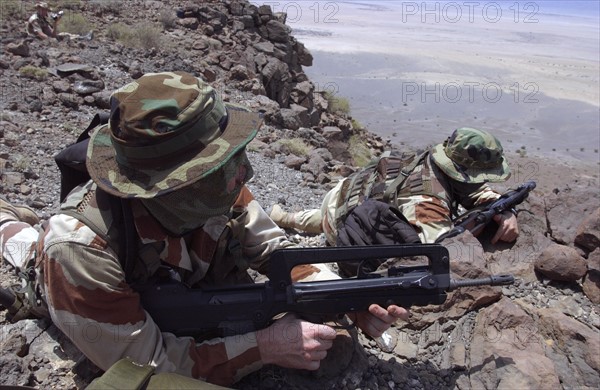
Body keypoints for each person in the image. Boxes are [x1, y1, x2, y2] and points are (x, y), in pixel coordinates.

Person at [0, 71, 408, 387]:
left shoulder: (219, 192)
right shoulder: (79, 251)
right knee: (21, 241)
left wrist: (340, 296)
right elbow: (146, 365)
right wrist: (265, 347)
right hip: (62, 275)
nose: (243, 171)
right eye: (218, 166)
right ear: (169, 186)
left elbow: (276, 252)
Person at [270, 127, 519, 249]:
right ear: (463, 172)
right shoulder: (428, 203)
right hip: (343, 227)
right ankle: (291, 220)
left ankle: (285, 218)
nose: (482, 180)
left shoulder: (426, 160)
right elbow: (436, 252)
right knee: (332, 224)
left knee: (325, 216)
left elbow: (474, 192)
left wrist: (505, 209)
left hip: (341, 196)